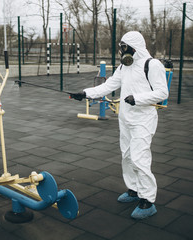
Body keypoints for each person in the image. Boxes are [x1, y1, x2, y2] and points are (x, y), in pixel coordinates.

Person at [70, 31, 168, 219]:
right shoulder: (124, 67)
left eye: (124, 47)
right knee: (127, 156)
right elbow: (108, 86)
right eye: (121, 47)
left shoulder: (152, 65)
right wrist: (85, 93)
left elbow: (162, 93)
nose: (122, 51)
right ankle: (133, 189)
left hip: (143, 119)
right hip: (125, 118)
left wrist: (137, 99)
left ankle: (148, 201)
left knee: (140, 158)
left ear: (134, 47)